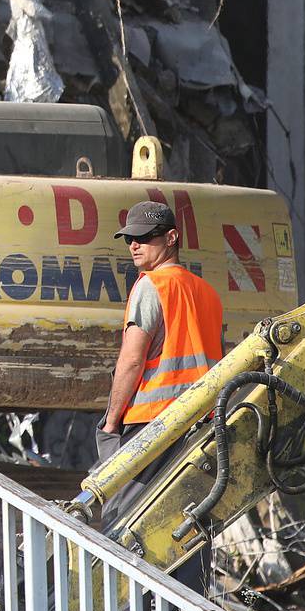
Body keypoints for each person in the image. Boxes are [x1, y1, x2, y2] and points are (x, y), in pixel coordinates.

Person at [95, 199, 224, 581]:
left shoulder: (152, 286)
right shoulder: (208, 294)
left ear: (171, 238)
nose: (134, 245)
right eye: (129, 239)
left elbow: (132, 361)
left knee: (127, 529)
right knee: (188, 530)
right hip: (199, 431)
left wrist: (111, 422)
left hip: (151, 430)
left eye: (144, 237)